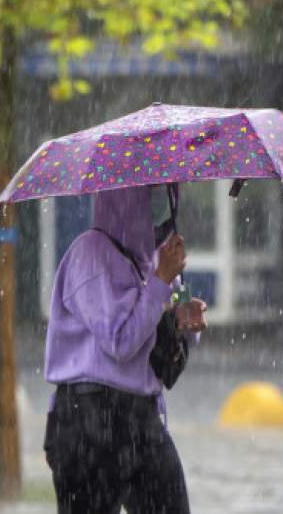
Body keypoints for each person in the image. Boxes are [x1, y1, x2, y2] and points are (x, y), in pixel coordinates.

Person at [43, 185, 207, 514]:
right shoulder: (89, 254)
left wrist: (182, 321)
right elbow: (120, 341)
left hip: (141, 418)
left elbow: (152, 336)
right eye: (152, 192)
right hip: (89, 420)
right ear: (128, 198)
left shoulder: (153, 259)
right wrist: (160, 281)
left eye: (167, 191)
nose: (162, 202)